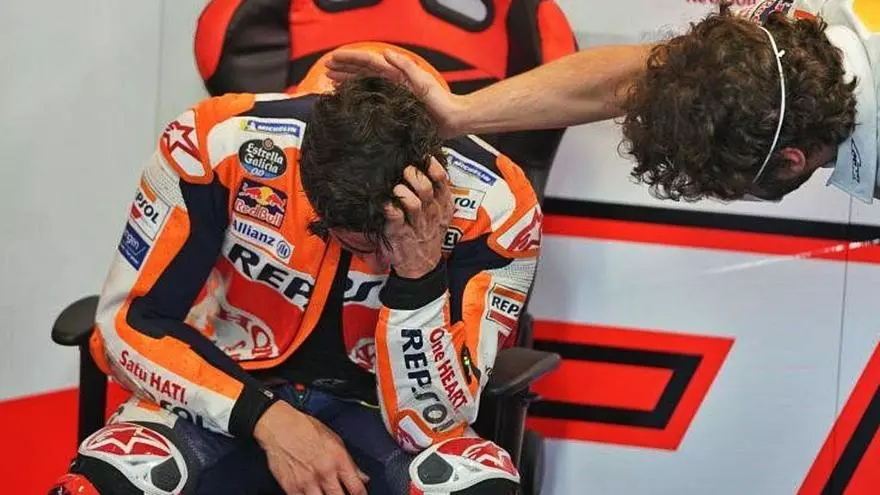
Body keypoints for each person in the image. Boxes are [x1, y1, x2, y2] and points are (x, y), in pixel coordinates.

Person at [50, 43, 539, 495]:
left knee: (479, 487)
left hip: (382, 420)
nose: (369, 257)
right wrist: (266, 418)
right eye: (342, 233)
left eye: (382, 238)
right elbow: (127, 324)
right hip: (226, 389)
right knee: (106, 480)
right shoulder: (212, 143)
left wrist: (419, 273)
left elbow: (431, 424)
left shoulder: (498, 204)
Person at [326, 0, 878, 204]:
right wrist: (460, 114)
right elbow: (642, 74)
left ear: (792, 160)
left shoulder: (787, 43)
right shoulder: (778, 29)